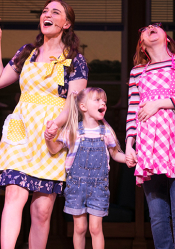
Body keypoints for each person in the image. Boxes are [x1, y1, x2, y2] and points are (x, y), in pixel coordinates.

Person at [0, 0, 88, 249]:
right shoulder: (27, 53)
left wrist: (58, 124)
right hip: (21, 129)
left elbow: (73, 102)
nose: (48, 15)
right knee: (14, 194)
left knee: (42, 210)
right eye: (45, 11)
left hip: (51, 133)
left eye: (55, 12)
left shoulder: (74, 59)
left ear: (66, 23)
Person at [125, 23, 175, 249]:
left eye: (156, 27)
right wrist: (130, 145)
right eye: (145, 28)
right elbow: (132, 110)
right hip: (150, 145)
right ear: (141, 44)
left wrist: (159, 104)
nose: (151, 27)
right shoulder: (138, 72)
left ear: (166, 38)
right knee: (158, 215)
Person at [46, 87, 126, 249]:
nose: (102, 102)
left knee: (95, 228)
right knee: (80, 227)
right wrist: (48, 138)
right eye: (97, 100)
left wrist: (131, 159)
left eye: (104, 101)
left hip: (99, 187)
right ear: (83, 107)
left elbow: (116, 154)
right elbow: (54, 149)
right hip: (76, 186)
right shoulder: (73, 131)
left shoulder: (106, 132)